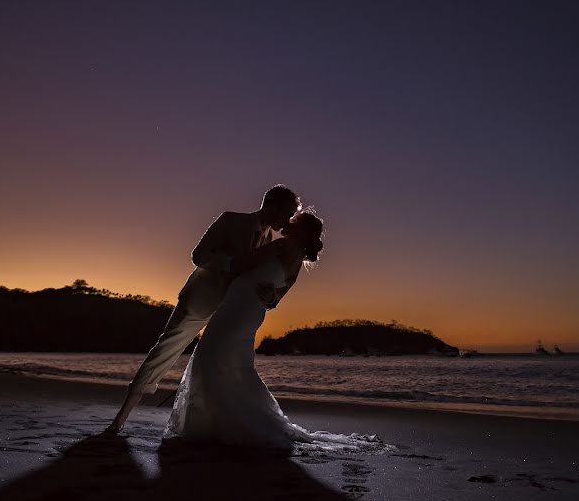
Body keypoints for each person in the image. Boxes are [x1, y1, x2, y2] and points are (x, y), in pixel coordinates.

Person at [163, 211, 387, 455]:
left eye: (294, 220)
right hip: (250, 310)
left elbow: (245, 261)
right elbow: (275, 299)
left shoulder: (283, 245)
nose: (288, 220)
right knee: (230, 361)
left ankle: (216, 424)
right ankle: (222, 422)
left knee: (212, 357)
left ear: (300, 230)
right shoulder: (298, 261)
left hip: (238, 308)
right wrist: (267, 295)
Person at [106, 185, 302, 433]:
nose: (289, 220)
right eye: (288, 212)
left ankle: (213, 424)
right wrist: (231, 263)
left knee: (221, 365)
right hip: (199, 301)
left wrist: (268, 295)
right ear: (273, 205)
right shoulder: (230, 220)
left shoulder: (270, 239)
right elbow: (198, 255)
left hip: (229, 312)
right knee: (165, 351)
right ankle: (120, 419)